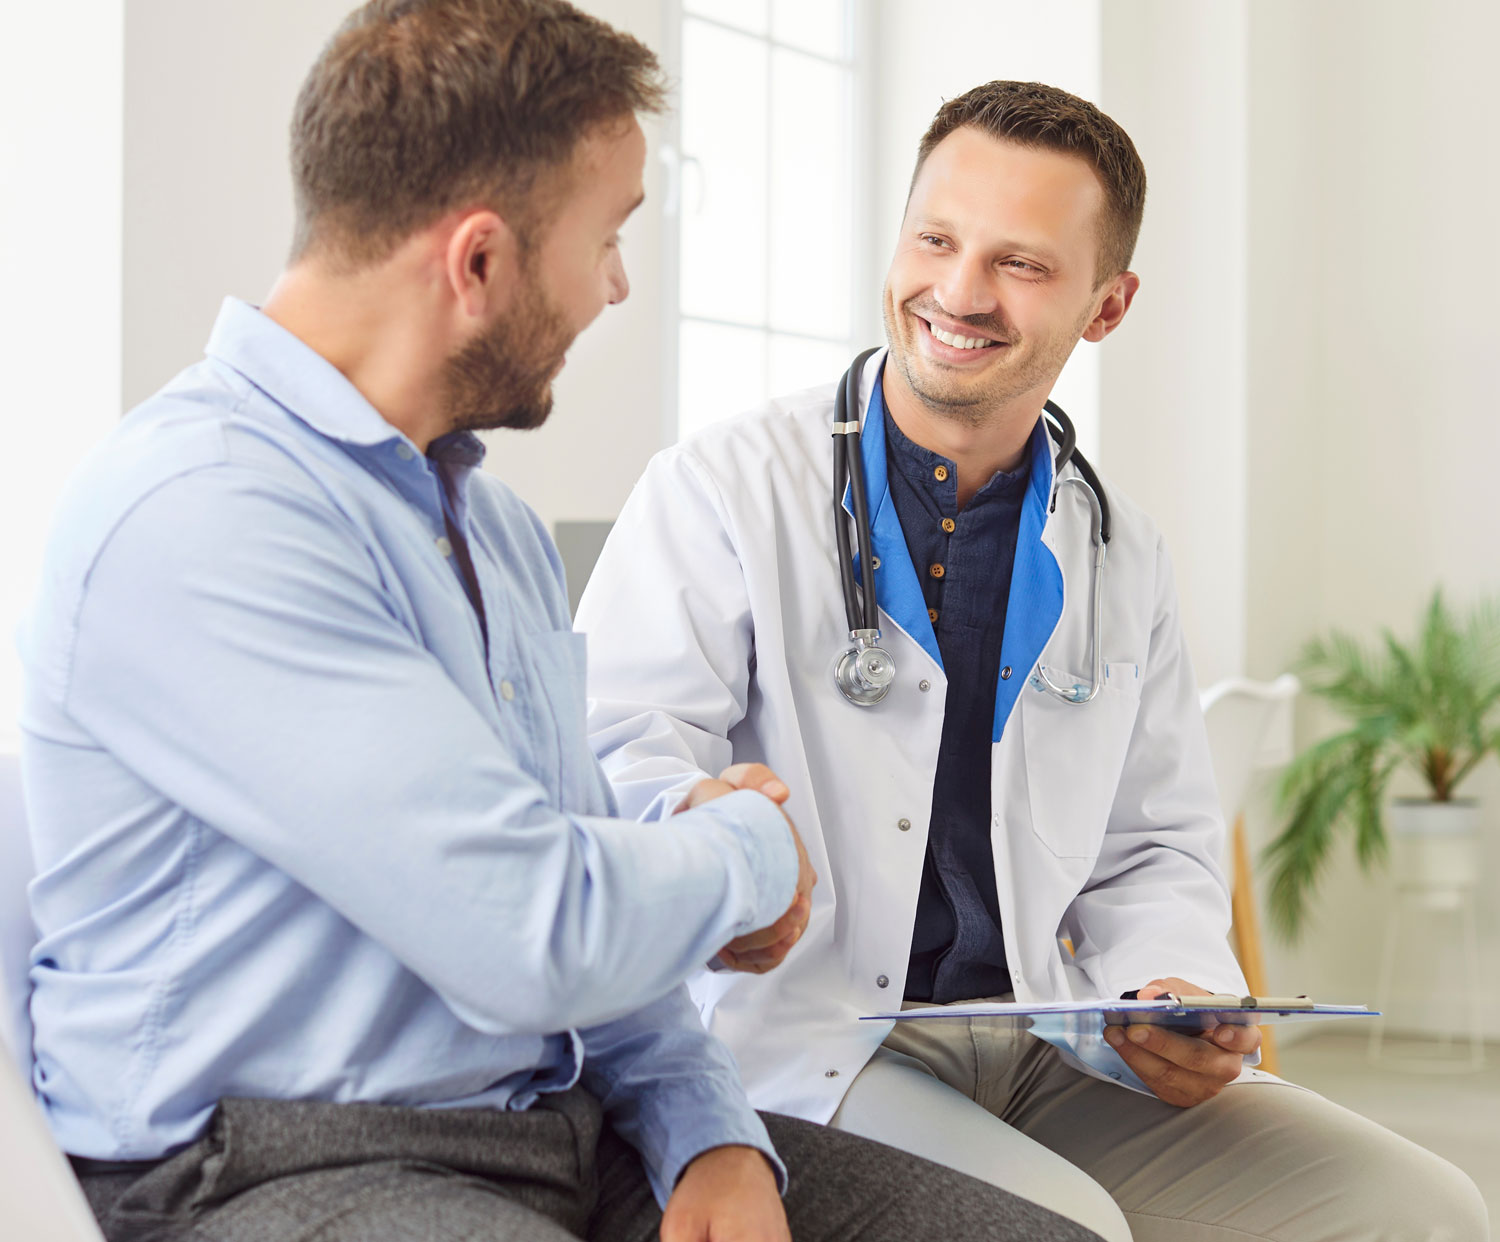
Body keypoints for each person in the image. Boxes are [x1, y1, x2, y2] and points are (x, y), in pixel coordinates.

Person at [17, 0, 1103, 1242]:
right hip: (272, 1163)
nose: (619, 286)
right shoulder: (205, 516)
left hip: (556, 1126)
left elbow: (588, 911)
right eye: (607, 238)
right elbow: (535, 926)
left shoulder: (494, 531)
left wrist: (702, 1128)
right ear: (479, 261)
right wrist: (751, 853)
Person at [577, 81, 1490, 1242]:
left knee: (1419, 1206)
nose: (959, 292)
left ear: (1108, 305)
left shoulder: (1118, 551)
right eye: (937, 239)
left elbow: (1152, 844)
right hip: (815, 1040)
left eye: (1022, 263)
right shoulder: (724, 489)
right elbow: (613, 750)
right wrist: (703, 818)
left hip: (1040, 1037)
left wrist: (1169, 989)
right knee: (1070, 1229)